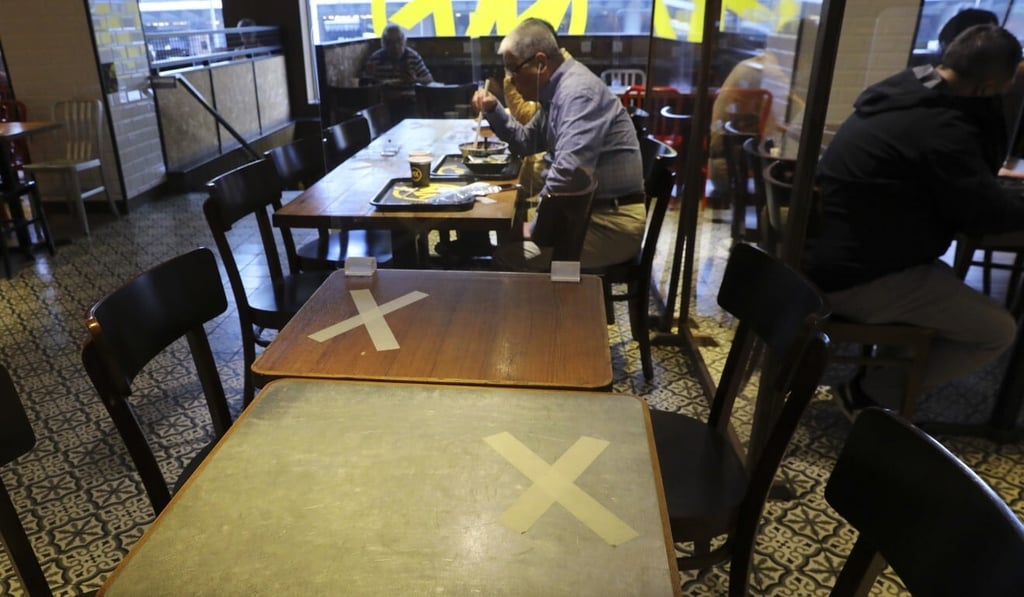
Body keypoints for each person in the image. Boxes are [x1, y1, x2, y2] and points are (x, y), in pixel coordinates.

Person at [801, 24, 1024, 417]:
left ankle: (885, 378)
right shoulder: (942, 129)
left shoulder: (900, 92)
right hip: (859, 277)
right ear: (988, 85)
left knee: (942, 284)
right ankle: (870, 394)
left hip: (830, 255)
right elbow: (986, 216)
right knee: (997, 332)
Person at [471, 19, 645, 271]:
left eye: (513, 70)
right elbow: (525, 142)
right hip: (585, 214)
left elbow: (569, 173)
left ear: (540, 63)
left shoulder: (577, 93)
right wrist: (493, 109)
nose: (510, 79)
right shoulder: (557, 90)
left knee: (509, 257)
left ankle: (553, 310)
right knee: (511, 228)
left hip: (611, 224)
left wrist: (537, 227)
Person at [360, 24, 434, 87]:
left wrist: (414, 80)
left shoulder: (413, 57)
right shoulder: (375, 59)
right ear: (383, 44)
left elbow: (429, 79)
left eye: (399, 41)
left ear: (404, 41)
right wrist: (370, 77)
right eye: (390, 43)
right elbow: (364, 83)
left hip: (409, 100)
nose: (395, 46)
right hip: (383, 100)